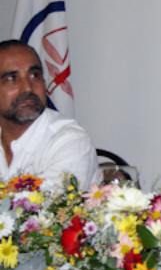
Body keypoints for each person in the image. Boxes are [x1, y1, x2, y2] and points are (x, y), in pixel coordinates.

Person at [0, 39, 97, 190]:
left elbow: (46, 202)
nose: (27, 88)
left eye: (35, 75)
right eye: (12, 78)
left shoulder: (70, 139)